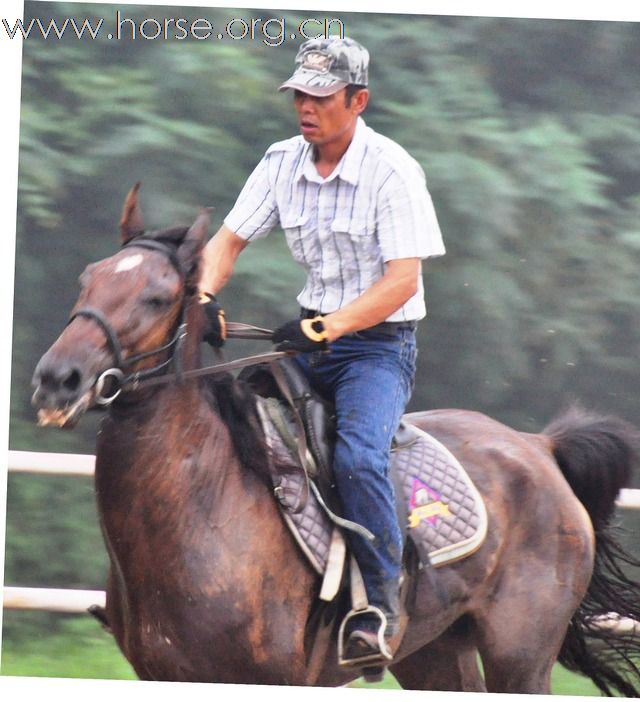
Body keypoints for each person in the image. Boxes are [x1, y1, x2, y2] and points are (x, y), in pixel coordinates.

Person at [198, 36, 445, 667]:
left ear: (358, 100)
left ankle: (384, 606)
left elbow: (402, 282)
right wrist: (201, 296)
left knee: (359, 457)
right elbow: (228, 241)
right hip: (309, 338)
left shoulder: (393, 171)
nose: (305, 107)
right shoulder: (280, 161)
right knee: (220, 423)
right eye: (299, 95)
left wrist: (327, 328)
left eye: (320, 96)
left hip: (377, 350)